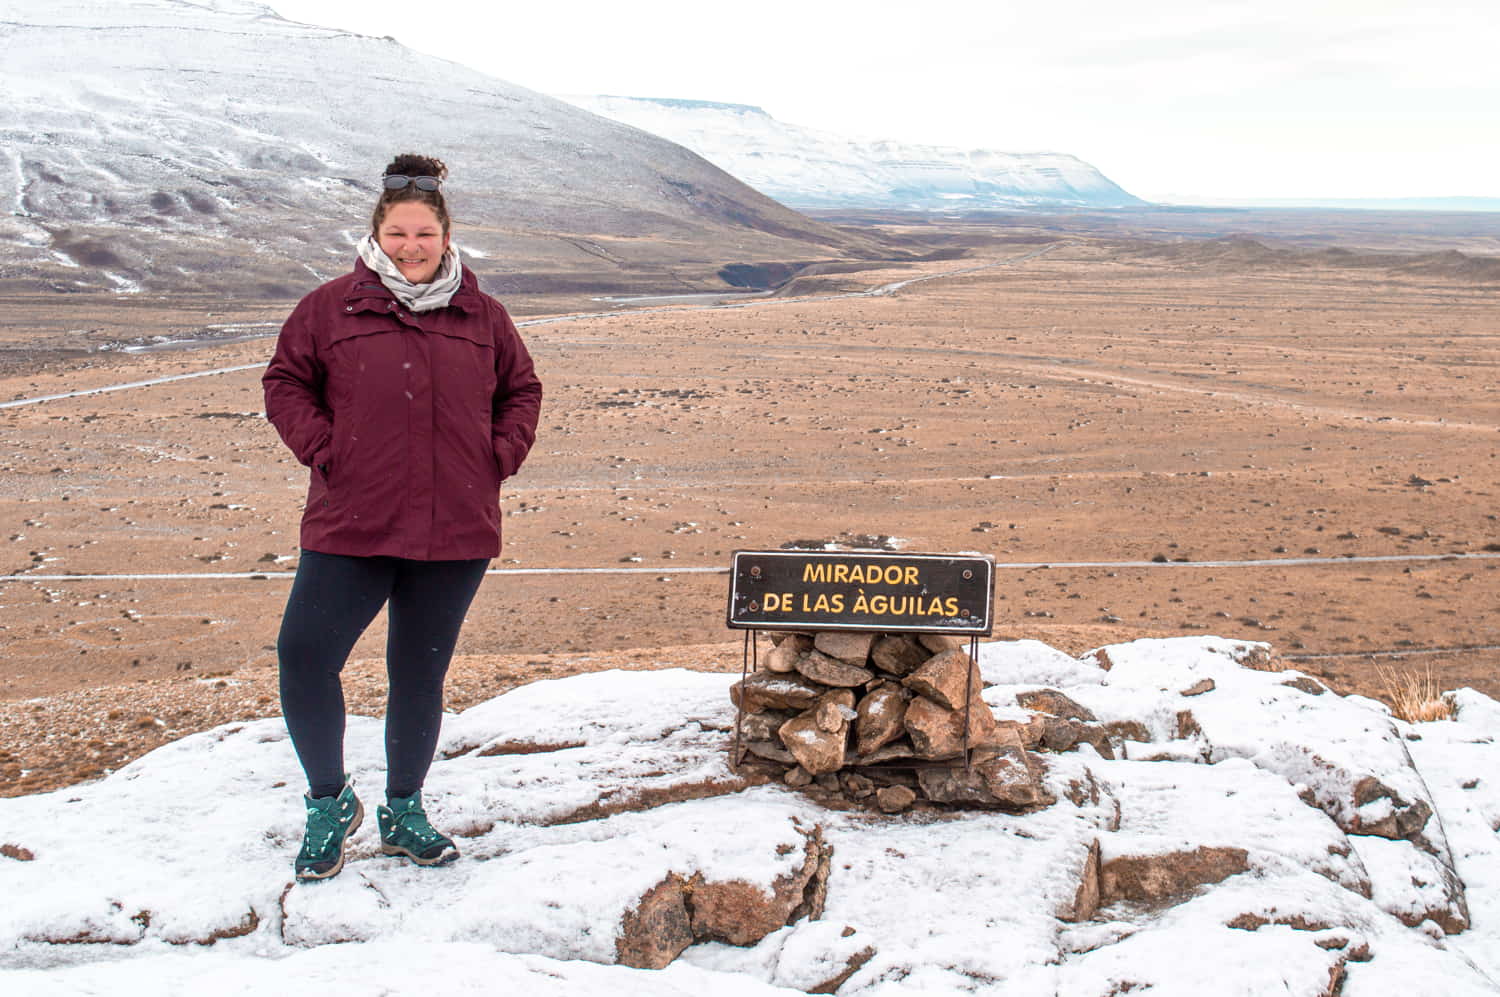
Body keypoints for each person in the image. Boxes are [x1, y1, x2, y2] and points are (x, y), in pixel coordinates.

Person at [263, 153, 542, 882]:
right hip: (353, 517)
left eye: (424, 233)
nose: (411, 246)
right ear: (376, 235)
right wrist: (325, 450)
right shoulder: (330, 307)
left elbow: (522, 390)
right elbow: (286, 380)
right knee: (304, 655)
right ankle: (330, 801)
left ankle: (404, 808)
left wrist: (497, 456)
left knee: (418, 673)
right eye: (397, 233)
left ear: (447, 236)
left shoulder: (484, 315)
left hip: (454, 528)